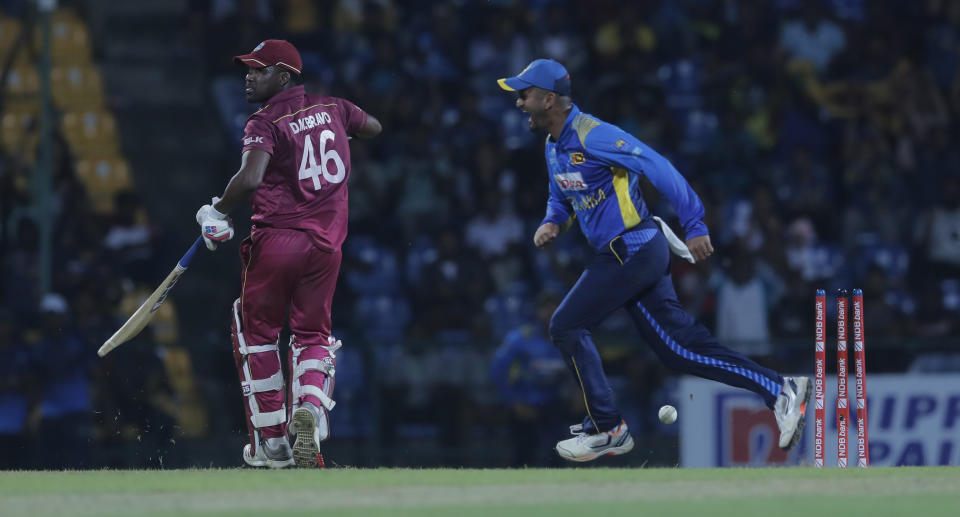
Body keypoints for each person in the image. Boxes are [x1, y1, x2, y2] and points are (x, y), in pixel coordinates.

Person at [497, 59, 810, 463]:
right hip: (628, 252)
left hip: (633, 247)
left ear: (548, 99)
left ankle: (608, 428)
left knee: (565, 324)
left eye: (524, 95)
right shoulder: (553, 145)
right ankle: (780, 390)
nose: (519, 103)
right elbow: (562, 196)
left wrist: (695, 222)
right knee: (678, 350)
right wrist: (552, 222)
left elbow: (656, 165)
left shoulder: (594, 135)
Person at [195, 40, 382, 468]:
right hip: (326, 246)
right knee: (313, 335)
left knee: (255, 332)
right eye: (248, 69)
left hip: (277, 241)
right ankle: (312, 412)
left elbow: (250, 178)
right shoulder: (333, 107)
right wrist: (341, 126)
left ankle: (273, 442)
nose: (248, 76)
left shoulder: (264, 121)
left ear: (284, 76)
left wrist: (217, 211)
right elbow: (373, 126)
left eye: (258, 70)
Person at [489, 292, 569, 466]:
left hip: (553, 403)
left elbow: (581, 369)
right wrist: (514, 402)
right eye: (544, 307)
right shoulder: (520, 338)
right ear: (537, 311)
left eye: (555, 307)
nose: (549, 312)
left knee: (558, 455)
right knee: (522, 455)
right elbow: (497, 370)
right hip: (523, 404)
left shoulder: (570, 338)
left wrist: (579, 393)